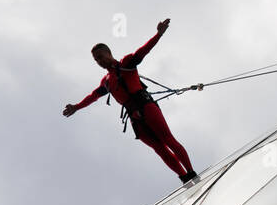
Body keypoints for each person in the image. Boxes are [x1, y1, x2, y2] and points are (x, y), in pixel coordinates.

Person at [63, 18, 198, 184]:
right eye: (96, 60)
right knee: (159, 149)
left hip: (145, 106)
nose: (99, 61)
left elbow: (142, 51)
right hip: (134, 116)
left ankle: (191, 172)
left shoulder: (126, 63)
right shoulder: (106, 81)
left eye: (100, 56)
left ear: (108, 53)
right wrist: (77, 106)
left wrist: (158, 35)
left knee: (168, 139)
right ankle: (184, 178)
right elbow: (94, 96)